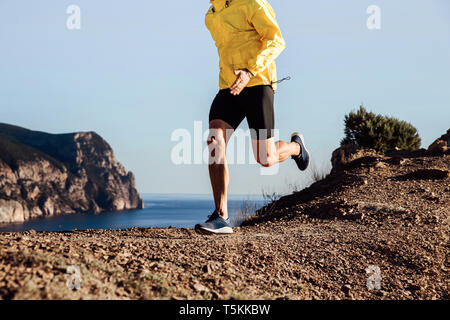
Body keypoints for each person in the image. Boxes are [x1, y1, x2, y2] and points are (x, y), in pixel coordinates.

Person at [195, 0, 310, 234]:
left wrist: (249, 71)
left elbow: (276, 40)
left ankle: (296, 148)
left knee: (266, 158)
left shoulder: (252, 3)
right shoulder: (211, 15)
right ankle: (221, 216)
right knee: (214, 141)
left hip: (257, 83)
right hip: (229, 87)